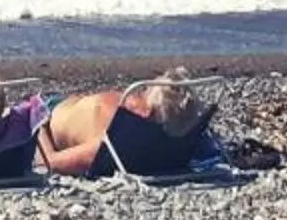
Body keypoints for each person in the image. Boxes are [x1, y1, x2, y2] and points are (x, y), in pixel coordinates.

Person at [35, 73, 209, 177]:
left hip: (49, 112)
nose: (137, 98)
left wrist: (37, 124)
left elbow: (52, 162)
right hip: (65, 107)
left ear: (146, 112)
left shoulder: (113, 140)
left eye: (144, 92)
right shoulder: (178, 139)